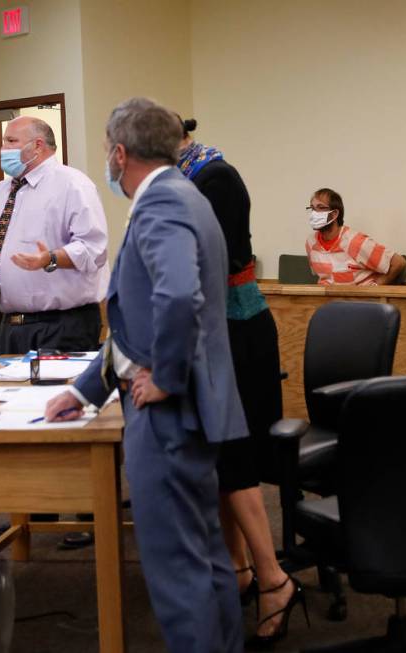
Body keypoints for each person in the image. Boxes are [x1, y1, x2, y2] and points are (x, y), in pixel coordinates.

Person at [44, 97, 250, 653]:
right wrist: (84, 389)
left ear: (118, 153)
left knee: (178, 575)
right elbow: (138, 321)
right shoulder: (185, 194)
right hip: (188, 412)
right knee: (204, 560)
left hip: (167, 414)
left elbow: (180, 296)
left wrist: (167, 377)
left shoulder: (161, 204)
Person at [176, 117, 303, 647]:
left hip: (237, 332)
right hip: (217, 332)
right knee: (219, 455)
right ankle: (239, 568)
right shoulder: (189, 177)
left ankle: (273, 578)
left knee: (234, 454)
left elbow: (216, 262)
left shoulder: (215, 177)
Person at [0, 116, 108, 355]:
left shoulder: (72, 184)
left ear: (38, 145)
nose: (3, 148)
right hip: (11, 326)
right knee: (7, 392)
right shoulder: (1, 191)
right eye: (4, 141)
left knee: (55, 393)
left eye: (11, 141)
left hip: (62, 325)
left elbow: (93, 249)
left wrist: (51, 258)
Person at [305, 188, 406, 285]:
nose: (314, 213)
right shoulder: (311, 243)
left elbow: (399, 263)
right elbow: (321, 275)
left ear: (334, 214)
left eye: (320, 207)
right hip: (327, 299)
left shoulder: (355, 242)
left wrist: (374, 287)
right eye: (312, 208)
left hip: (358, 300)